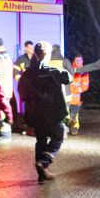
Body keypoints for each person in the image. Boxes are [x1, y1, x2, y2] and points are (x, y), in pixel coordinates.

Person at [16, 41, 71, 182]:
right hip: (52, 112)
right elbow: (68, 78)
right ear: (49, 54)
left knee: (40, 140)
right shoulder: (53, 71)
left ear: (35, 53)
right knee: (58, 136)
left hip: (35, 112)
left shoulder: (28, 73)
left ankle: (42, 172)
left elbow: (21, 90)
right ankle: (44, 162)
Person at [67, 54, 90, 136]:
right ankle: (67, 127)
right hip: (67, 97)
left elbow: (85, 86)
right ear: (74, 60)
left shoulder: (84, 72)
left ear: (82, 61)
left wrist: (75, 90)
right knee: (66, 115)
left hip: (76, 99)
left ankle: (74, 128)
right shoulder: (69, 69)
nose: (78, 62)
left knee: (74, 115)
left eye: (80, 60)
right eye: (76, 60)